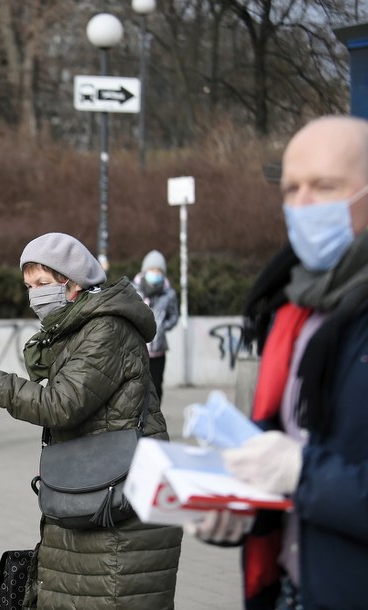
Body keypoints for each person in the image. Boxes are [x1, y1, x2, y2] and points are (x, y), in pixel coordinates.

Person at [0, 233, 183, 609]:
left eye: (42, 284)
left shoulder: (107, 329)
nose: (34, 295)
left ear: (72, 284)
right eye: (29, 287)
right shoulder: (75, 330)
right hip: (95, 497)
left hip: (119, 512)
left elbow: (60, 404)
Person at [186, 115, 368, 610]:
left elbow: (300, 467)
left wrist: (301, 473)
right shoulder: (294, 308)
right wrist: (241, 508)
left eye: (325, 186)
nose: (302, 205)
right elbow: (285, 448)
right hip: (292, 590)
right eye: (291, 189)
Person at [132, 249, 179, 400]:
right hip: (137, 349)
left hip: (158, 351)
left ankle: (155, 413)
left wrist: (163, 327)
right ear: (145, 270)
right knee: (138, 388)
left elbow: (174, 316)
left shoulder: (169, 294)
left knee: (156, 387)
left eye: (159, 270)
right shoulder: (134, 290)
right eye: (152, 269)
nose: (155, 273)